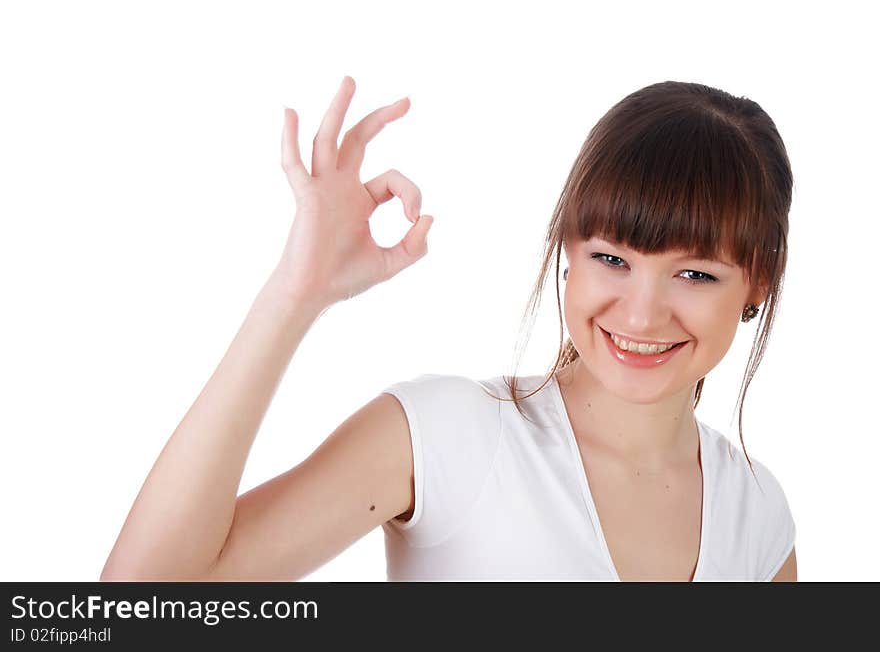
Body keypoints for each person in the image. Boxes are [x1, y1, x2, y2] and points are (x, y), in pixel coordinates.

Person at [100, 76, 797, 582]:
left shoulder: (758, 515)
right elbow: (139, 605)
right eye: (610, 258)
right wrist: (294, 293)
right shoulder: (448, 436)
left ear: (757, 282)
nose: (641, 313)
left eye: (695, 274)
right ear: (566, 255)